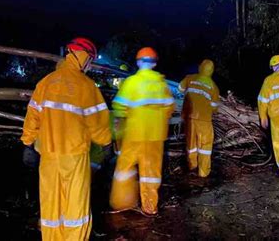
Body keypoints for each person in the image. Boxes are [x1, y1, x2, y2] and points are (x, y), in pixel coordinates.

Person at [21, 37, 112, 240]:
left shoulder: (45, 83)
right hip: (75, 157)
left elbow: (32, 117)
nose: (89, 65)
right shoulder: (87, 87)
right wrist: (106, 144)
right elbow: (98, 123)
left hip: (49, 158)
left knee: (51, 207)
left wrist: (27, 144)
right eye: (90, 60)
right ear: (84, 57)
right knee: (76, 210)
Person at [109, 47, 174, 215]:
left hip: (134, 134)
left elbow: (119, 107)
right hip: (155, 136)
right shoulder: (161, 83)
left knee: (124, 167)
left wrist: (119, 127)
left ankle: (122, 203)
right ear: (154, 63)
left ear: (138, 62)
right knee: (151, 174)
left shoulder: (132, 82)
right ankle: (150, 207)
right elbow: (169, 107)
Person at [178, 59, 220, 177]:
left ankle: (192, 166)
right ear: (211, 71)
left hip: (189, 118)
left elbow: (179, 89)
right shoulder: (214, 87)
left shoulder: (190, 78)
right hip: (204, 120)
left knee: (191, 145)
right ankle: (203, 173)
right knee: (205, 146)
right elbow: (215, 108)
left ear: (200, 67)